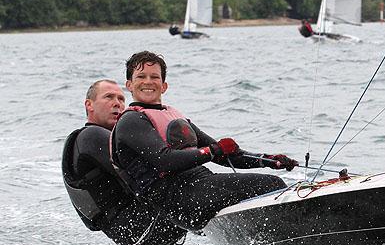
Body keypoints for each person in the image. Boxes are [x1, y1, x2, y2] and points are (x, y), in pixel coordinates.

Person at [111, 51, 298, 232]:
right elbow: (165, 160)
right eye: (141, 77)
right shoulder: (131, 121)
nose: (148, 82)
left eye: (154, 77)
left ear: (164, 85)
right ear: (129, 84)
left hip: (200, 186)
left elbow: (227, 155)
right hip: (177, 198)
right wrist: (212, 151)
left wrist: (269, 160)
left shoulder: (171, 115)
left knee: (272, 183)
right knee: (271, 185)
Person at [62, 79, 187, 245]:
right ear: (89, 105)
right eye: (109, 97)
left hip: (134, 235)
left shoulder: (104, 139)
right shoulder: (91, 136)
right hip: (139, 227)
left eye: (121, 99)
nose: (117, 104)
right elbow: (152, 168)